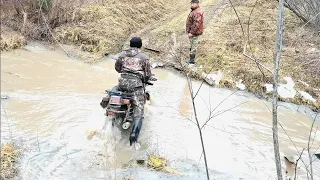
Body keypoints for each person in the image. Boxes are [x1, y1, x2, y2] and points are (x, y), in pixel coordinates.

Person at [115, 36, 152, 146]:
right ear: (140, 46)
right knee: (139, 112)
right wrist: (144, 79)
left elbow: (117, 68)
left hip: (122, 83)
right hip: (136, 85)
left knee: (115, 91)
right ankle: (133, 137)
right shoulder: (144, 57)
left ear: (130, 45)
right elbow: (148, 73)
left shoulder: (122, 55)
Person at [186, 0, 204, 64]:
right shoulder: (194, 11)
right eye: (191, 3)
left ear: (197, 4)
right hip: (193, 33)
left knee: (194, 46)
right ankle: (191, 59)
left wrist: (191, 32)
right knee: (192, 46)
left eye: (193, 3)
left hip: (195, 33)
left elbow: (197, 24)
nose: (192, 5)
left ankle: (192, 61)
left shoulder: (198, 12)